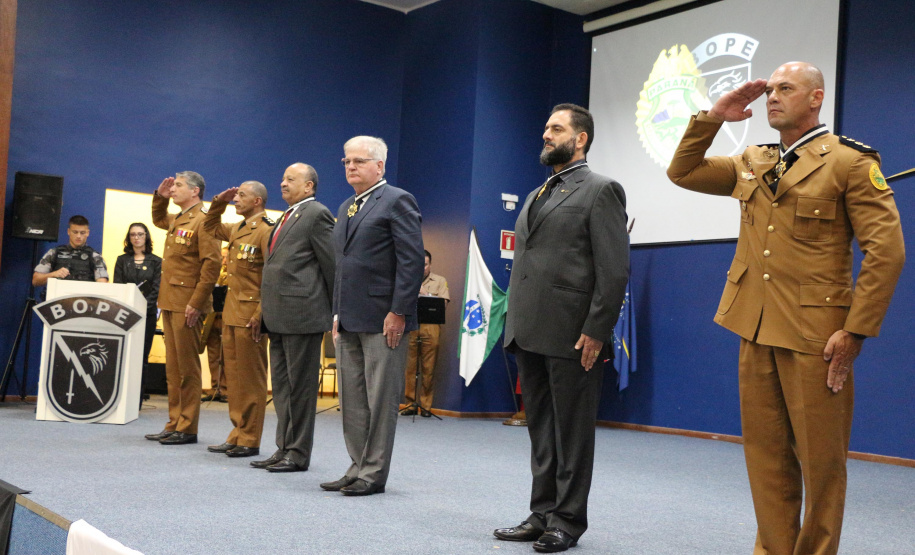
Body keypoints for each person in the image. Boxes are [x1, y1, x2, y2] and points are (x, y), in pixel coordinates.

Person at [666, 62, 905, 555]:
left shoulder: (850, 162)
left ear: (815, 98)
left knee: (822, 466)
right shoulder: (753, 158)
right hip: (753, 326)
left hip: (816, 335)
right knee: (767, 459)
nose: (772, 96)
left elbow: (887, 252)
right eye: (769, 89)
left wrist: (856, 330)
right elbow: (682, 171)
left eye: (785, 89)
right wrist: (715, 116)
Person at [496, 104, 629, 553]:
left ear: (582, 138)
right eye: (546, 127)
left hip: (574, 334)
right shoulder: (537, 194)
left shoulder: (601, 190)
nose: (546, 135)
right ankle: (541, 512)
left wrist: (597, 329)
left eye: (556, 129)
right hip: (529, 330)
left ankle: (567, 521)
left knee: (571, 432)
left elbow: (613, 271)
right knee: (541, 430)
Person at [320, 136, 424, 496]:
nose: (351, 166)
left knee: (380, 400)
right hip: (348, 319)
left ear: (379, 166)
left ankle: (374, 473)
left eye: (359, 161)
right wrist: (336, 313)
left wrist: (399, 311)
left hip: (384, 319)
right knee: (352, 399)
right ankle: (357, 465)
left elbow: (411, 262)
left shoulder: (397, 200)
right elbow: (342, 266)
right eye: (347, 161)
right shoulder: (348, 205)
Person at [251, 163, 335, 472]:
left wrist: (333, 312)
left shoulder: (317, 214)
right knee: (283, 389)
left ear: (309, 186)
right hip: (278, 318)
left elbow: (332, 267)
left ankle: (298, 454)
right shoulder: (286, 216)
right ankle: (283, 448)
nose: (283, 183)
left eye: (291, 179)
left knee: (300, 390)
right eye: (283, 178)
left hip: (303, 317)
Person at [145, 172, 221, 445]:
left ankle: (187, 427)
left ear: (195, 191)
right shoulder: (178, 218)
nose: (173, 188)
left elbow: (211, 266)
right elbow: (157, 219)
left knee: (188, 368)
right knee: (173, 369)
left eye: (178, 185)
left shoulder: (205, 220)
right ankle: (174, 422)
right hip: (170, 301)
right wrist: (160, 198)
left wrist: (196, 303)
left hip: (188, 303)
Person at [202, 181, 275, 458]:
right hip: (232, 313)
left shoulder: (266, 230)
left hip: (251, 315)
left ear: (257, 201)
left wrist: (261, 313)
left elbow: (271, 275)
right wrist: (220, 200)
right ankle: (237, 432)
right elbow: (209, 226)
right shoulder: (237, 228)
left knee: (251, 380)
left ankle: (250, 438)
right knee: (233, 377)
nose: (237, 200)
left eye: (241, 196)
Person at [112, 222, 162, 405]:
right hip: (124, 314)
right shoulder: (122, 260)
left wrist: (141, 308)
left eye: (140, 234)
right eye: (133, 234)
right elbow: (118, 286)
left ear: (146, 237)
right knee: (122, 353)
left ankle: (136, 399)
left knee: (141, 356)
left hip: (146, 315)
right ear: (129, 238)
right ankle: (118, 396)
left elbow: (156, 290)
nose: (137, 237)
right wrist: (129, 309)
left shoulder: (156, 261)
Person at [401, 249, 449, 416]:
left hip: (431, 328)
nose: (422, 268)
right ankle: (410, 404)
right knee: (410, 368)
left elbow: (442, 306)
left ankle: (426, 406)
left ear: (430, 264)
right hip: (410, 327)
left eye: (426, 264)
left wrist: (425, 294)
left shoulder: (440, 281)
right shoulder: (406, 280)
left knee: (429, 369)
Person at [32, 215, 109, 286]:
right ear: (68, 231)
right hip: (57, 298)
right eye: (75, 232)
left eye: (82, 233)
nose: (78, 236)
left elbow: (102, 285)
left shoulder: (95, 256)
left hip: (84, 298)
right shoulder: (54, 253)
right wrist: (53, 274)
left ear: (87, 233)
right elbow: (35, 280)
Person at [201, 248, 228, 403]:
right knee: (213, 355)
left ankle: (226, 389)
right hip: (212, 317)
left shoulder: (232, 275)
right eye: (221, 258)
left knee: (227, 356)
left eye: (226, 258)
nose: (223, 261)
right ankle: (214, 387)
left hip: (226, 318)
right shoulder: (212, 274)